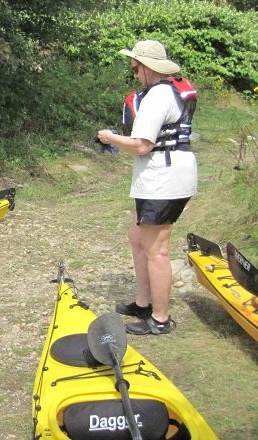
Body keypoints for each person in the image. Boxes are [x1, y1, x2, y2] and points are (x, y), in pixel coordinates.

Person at [97, 40, 197, 336]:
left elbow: (142, 145)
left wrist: (109, 138)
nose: (134, 71)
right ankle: (143, 302)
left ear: (147, 67)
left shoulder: (157, 96)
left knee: (158, 250)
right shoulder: (168, 91)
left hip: (163, 181)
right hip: (165, 176)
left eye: (135, 66)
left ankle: (160, 318)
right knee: (136, 235)